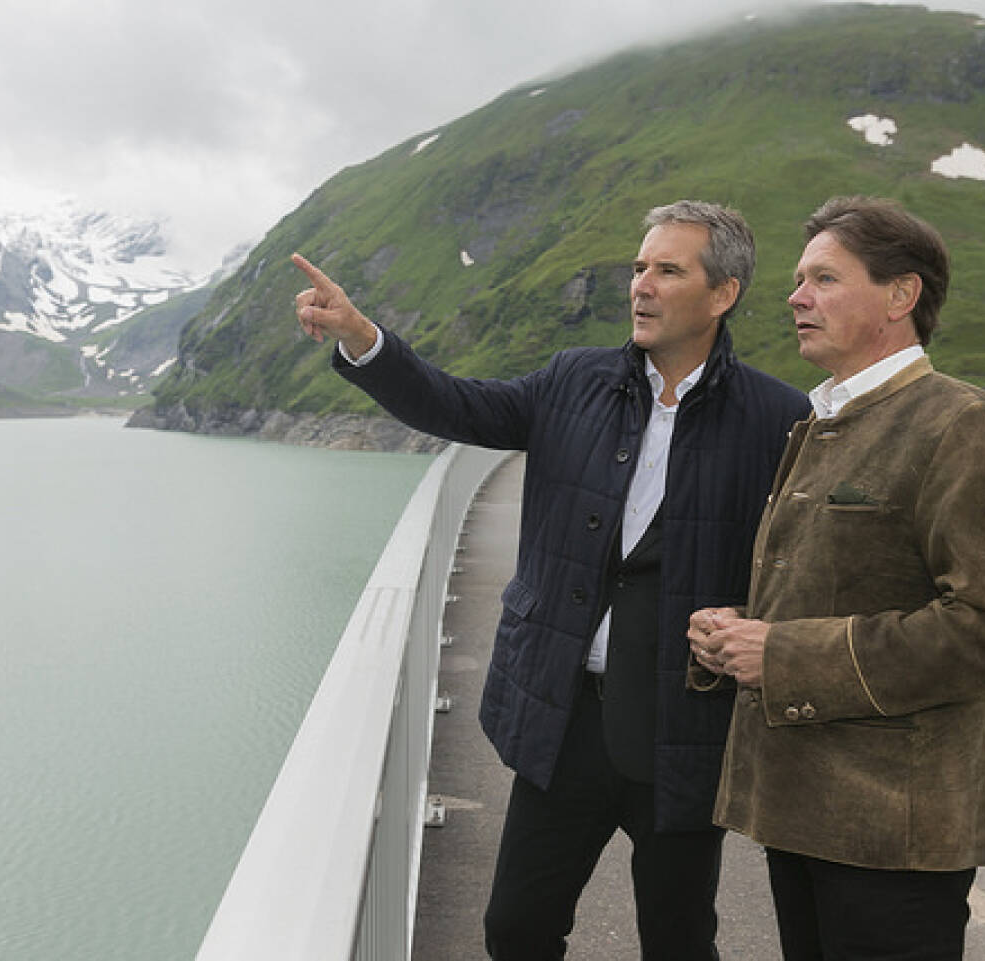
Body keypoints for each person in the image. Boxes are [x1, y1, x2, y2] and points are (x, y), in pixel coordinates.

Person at [292, 200, 810, 960]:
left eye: (667, 270)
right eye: (639, 267)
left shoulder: (775, 416)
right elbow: (456, 403)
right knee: (517, 929)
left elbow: (798, 560)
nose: (641, 285)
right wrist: (364, 340)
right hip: (567, 718)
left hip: (685, 728)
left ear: (723, 292)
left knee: (678, 938)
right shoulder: (574, 380)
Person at [688, 196, 985, 961]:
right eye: (798, 279)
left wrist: (782, 655)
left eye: (823, 278)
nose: (795, 297)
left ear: (900, 295)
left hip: (895, 830)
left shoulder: (959, 423)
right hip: (805, 811)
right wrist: (737, 634)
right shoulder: (820, 423)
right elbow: (833, 590)